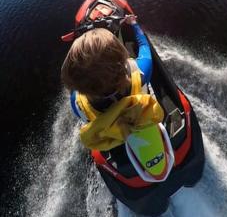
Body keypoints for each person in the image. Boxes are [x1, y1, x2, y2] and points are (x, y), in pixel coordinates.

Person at [61, 15, 164, 151]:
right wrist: (133, 23)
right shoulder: (141, 71)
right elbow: (144, 46)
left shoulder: (76, 101)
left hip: (114, 137)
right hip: (141, 119)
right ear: (121, 61)